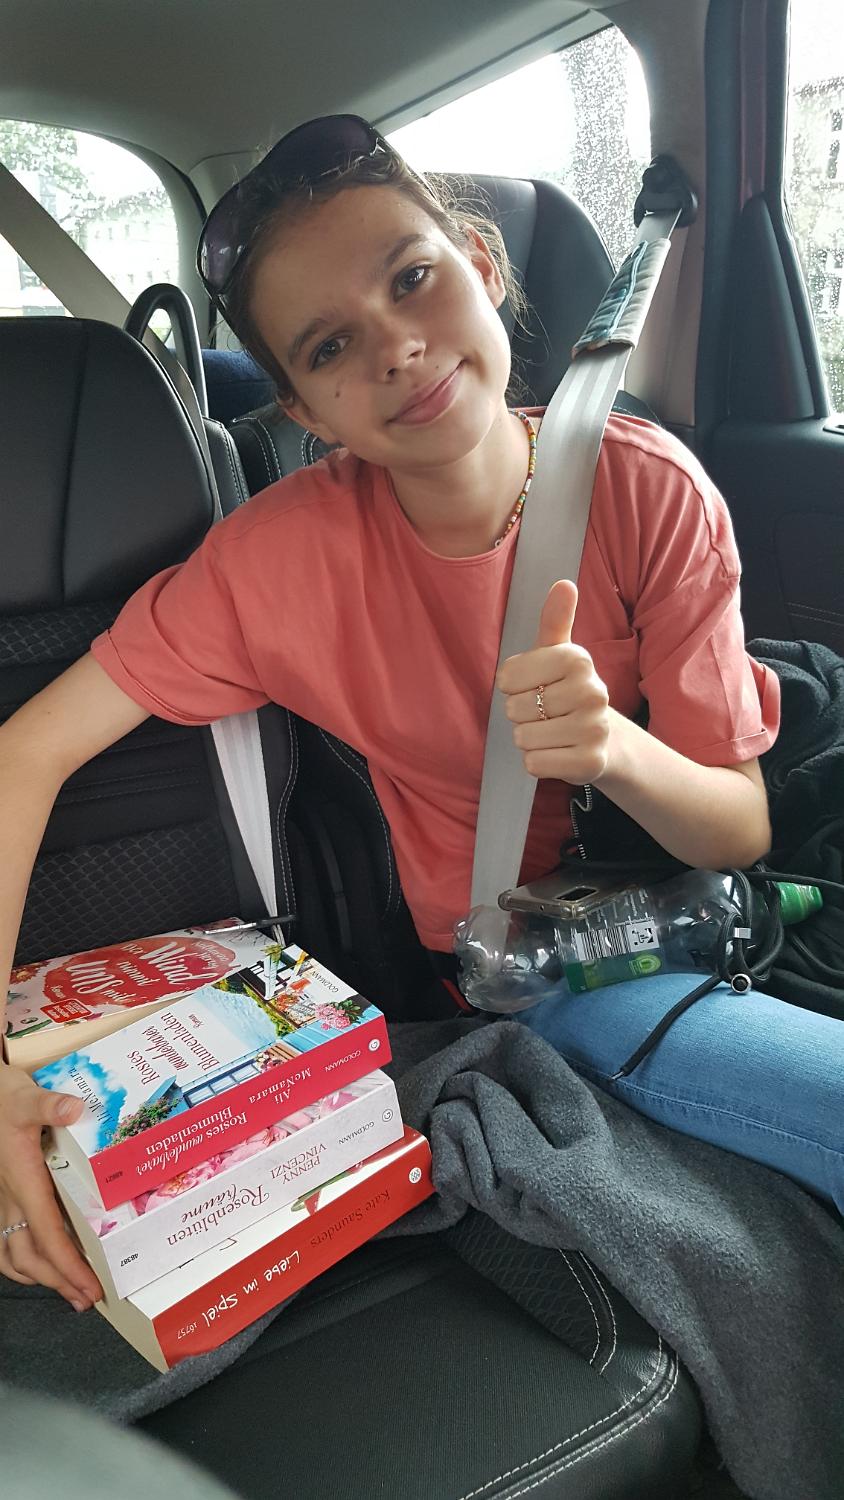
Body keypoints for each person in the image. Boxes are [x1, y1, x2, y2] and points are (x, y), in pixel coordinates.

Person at [0, 115, 840, 1316]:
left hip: (692, 903)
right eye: (332, 344)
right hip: (539, 972)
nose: (396, 345)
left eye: (411, 278)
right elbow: (24, 753)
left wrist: (612, 747)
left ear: (481, 266)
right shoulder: (273, 566)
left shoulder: (650, 490)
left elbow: (736, 829)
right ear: (306, 411)